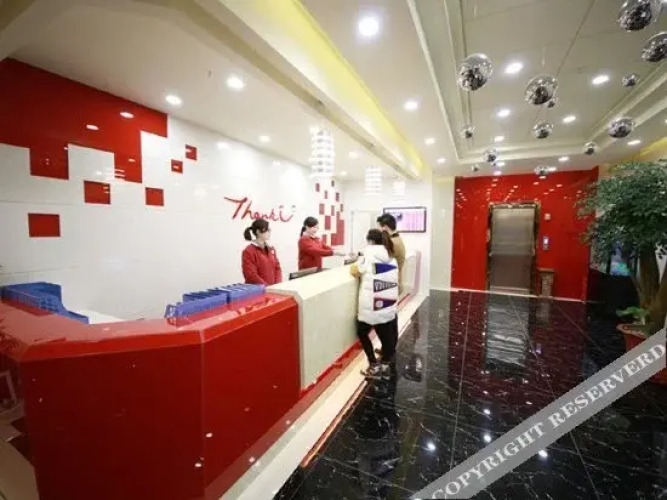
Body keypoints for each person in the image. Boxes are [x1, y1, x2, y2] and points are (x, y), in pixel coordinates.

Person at [350, 229, 399, 379]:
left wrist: (356, 262)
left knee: (362, 332)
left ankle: (374, 366)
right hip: (387, 304)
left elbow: (355, 271)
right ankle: (384, 365)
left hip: (373, 304)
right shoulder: (391, 255)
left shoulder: (368, 253)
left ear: (370, 241)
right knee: (386, 335)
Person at [376, 213, 406, 361]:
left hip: (390, 285)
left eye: (379, 228)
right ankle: (389, 348)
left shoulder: (392, 242)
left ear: (385, 227)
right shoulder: (397, 239)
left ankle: (388, 351)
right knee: (391, 318)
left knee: (387, 321)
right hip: (395, 283)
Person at [242, 219, 282, 285]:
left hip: (272, 288)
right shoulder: (248, 251)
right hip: (258, 289)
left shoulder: (271, 249)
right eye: (267, 230)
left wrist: (277, 285)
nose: (270, 231)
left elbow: (277, 268)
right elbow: (251, 275)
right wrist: (266, 287)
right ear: (258, 231)